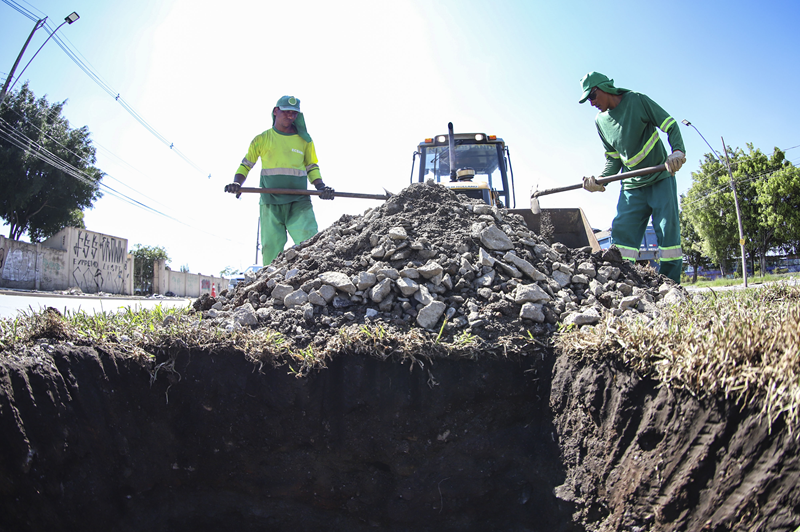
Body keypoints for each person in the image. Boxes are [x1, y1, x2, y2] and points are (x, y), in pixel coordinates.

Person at [578, 72, 686, 283]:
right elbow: (613, 160)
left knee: (668, 238)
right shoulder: (600, 121)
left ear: (601, 88)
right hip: (632, 186)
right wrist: (600, 181)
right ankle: (621, 285)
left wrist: (677, 152)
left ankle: (670, 288)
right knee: (622, 240)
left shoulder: (637, 101)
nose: (591, 104)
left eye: (592, 97)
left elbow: (670, 125)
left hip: (660, 179)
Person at [225, 95, 334, 266]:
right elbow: (246, 165)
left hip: (299, 201)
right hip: (271, 201)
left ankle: (315, 279)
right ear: (276, 111)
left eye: (294, 114)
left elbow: (311, 167)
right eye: (287, 112)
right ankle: (269, 285)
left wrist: (321, 187)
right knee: (271, 249)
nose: (290, 116)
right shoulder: (262, 139)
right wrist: (237, 184)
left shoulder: (304, 140)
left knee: (310, 241)